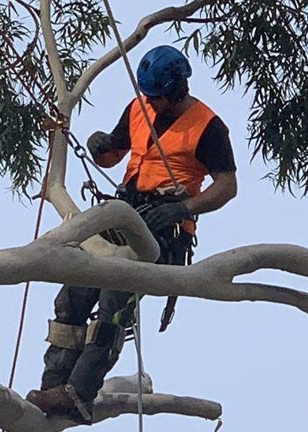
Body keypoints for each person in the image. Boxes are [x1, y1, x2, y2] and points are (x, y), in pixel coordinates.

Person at [25, 45, 238, 422]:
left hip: (163, 232)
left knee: (114, 301)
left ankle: (78, 394)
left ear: (177, 89)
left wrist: (184, 207)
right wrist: (100, 147)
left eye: (158, 97)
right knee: (73, 291)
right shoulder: (139, 108)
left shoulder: (208, 127)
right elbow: (114, 153)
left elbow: (226, 186)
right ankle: (51, 386)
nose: (152, 103)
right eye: (149, 96)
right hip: (122, 215)